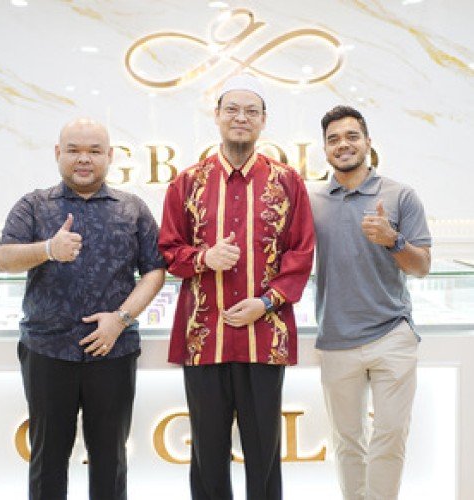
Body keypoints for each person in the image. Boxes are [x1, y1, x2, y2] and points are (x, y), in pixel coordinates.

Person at [158, 73, 315, 500]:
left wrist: (265, 302)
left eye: (251, 111)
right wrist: (203, 258)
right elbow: (169, 250)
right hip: (203, 337)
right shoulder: (187, 182)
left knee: (264, 453)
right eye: (232, 109)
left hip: (265, 337)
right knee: (207, 454)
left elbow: (301, 253)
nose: (241, 118)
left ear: (263, 120)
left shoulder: (287, 182)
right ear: (217, 116)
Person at [0, 118, 166, 500]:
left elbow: (155, 270)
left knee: (110, 459)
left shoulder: (132, 208)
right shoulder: (34, 205)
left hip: (113, 350)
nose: (84, 159)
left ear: (110, 156)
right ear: (59, 153)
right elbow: (4, 258)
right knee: (47, 459)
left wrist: (120, 320)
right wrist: (47, 249)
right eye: (74, 150)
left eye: (94, 151)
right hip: (47, 350)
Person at [310, 105, 431, 500]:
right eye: (333, 139)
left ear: (367, 142)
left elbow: (422, 266)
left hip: (392, 335)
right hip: (335, 338)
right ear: (325, 149)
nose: (343, 144)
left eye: (351, 136)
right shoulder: (312, 200)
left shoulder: (400, 195)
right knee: (347, 442)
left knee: (390, 436)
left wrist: (393, 240)